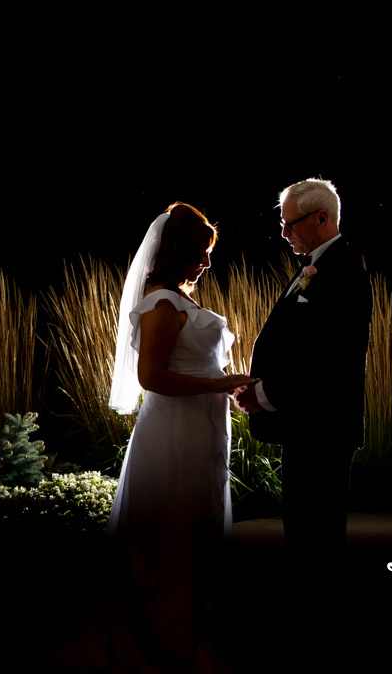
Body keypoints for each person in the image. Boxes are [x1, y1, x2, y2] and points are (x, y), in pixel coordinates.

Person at [107, 202, 257, 673]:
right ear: (177, 250)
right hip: (174, 432)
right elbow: (151, 377)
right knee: (174, 535)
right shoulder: (162, 304)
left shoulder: (179, 300)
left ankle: (195, 633)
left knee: (197, 530)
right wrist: (220, 383)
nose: (208, 262)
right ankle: (170, 642)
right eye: (200, 252)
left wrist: (223, 387)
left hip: (199, 427)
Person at [234, 178, 372, 645]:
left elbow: (328, 359)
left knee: (318, 537)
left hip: (322, 428)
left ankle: (318, 634)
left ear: (321, 218)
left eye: (289, 224)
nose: (283, 233)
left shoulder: (343, 269)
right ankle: (309, 625)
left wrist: (267, 394)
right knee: (304, 533)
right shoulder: (317, 266)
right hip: (306, 425)